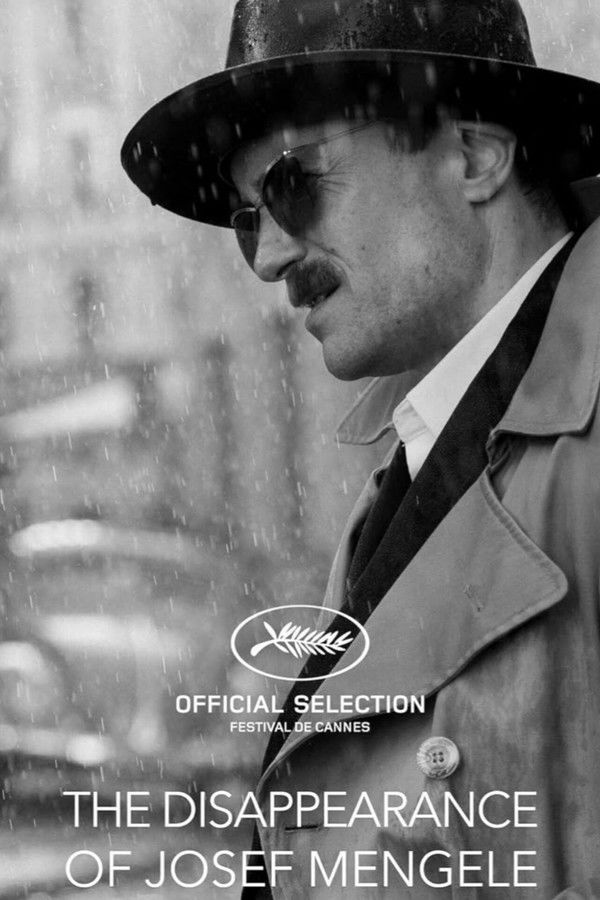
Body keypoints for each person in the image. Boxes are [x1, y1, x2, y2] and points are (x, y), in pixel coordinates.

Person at [122, 1, 600, 896]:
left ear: (473, 155)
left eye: (293, 184)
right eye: (247, 221)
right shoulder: (416, 460)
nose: (269, 257)